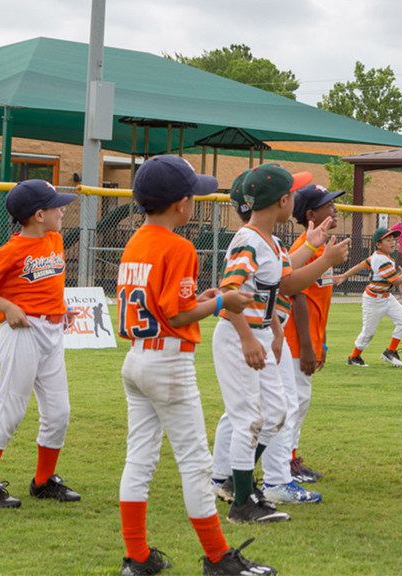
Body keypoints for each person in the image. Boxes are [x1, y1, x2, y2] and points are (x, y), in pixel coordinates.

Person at [114, 155, 274, 576]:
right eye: (192, 197)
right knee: (196, 463)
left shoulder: (136, 241)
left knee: (139, 460)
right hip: (168, 362)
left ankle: (138, 557)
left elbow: (165, 307)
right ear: (180, 204)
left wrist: (201, 302)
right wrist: (223, 301)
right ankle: (220, 560)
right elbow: (176, 316)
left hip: (137, 358)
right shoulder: (179, 245)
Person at [213, 163, 348, 524]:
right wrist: (247, 338)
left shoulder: (269, 241)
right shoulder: (248, 240)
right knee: (250, 420)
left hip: (259, 334)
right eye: (292, 194)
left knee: (275, 413)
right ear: (283, 201)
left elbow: (277, 282)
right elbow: (229, 291)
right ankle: (242, 503)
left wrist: (273, 334)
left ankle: (234, 482)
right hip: (237, 336)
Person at [0, 179, 82, 509]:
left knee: (59, 412)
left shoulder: (56, 239)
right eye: (56, 205)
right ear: (38, 215)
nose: (62, 209)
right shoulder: (12, 249)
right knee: (11, 408)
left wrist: (62, 309)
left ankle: (44, 481)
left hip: (52, 334)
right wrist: (7, 306)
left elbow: (50, 284)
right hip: (22, 334)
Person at [283, 184, 349, 485]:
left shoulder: (321, 248)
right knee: (293, 402)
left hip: (309, 338)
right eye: (327, 205)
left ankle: (291, 458)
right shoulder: (305, 248)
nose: (334, 209)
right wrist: (308, 347)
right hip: (295, 339)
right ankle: (284, 463)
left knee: (300, 400)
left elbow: (317, 300)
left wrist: (321, 343)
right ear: (311, 214)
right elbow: (295, 295)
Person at [334, 227, 402, 367]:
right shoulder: (382, 260)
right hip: (374, 300)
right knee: (368, 332)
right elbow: (396, 281)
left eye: (393, 239)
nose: (392, 242)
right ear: (378, 244)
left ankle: (390, 351)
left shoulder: (377, 256)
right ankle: (354, 357)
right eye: (388, 240)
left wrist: (345, 275)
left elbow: (360, 265)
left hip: (386, 297)